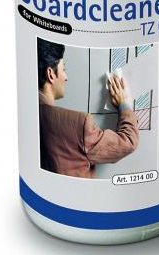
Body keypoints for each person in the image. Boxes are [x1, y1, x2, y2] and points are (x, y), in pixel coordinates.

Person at [37, 38, 139, 178]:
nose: (66, 77)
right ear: (50, 74)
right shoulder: (79, 124)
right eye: (63, 70)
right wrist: (124, 105)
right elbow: (128, 142)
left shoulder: (29, 113)